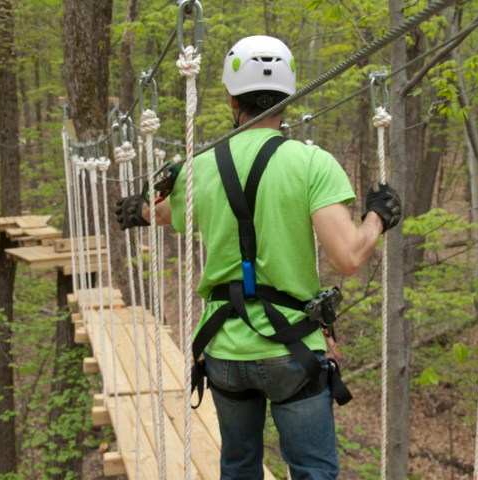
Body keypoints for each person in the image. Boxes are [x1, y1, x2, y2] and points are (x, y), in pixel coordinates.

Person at [116, 35, 401, 480]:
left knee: (239, 466)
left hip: (224, 351)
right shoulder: (312, 163)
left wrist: (139, 210)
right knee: (313, 472)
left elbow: (165, 213)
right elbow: (348, 255)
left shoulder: (201, 167)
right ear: (288, 97)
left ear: (231, 98)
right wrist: (378, 218)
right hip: (291, 352)